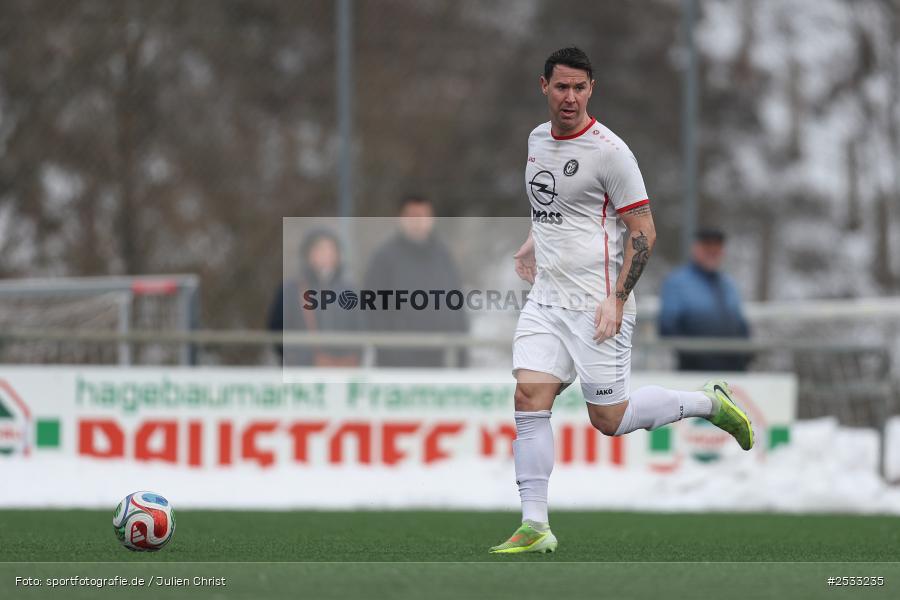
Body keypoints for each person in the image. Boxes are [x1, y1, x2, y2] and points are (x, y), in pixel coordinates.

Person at [490, 47, 754, 555]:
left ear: (592, 90)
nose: (570, 97)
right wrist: (532, 242)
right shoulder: (537, 140)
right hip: (547, 300)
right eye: (561, 86)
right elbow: (556, 205)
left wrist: (616, 299)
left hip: (598, 305)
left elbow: (645, 232)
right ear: (542, 86)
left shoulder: (611, 152)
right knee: (528, 399)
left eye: (580, 88)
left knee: (608, 420)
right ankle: (534, 525)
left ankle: (708, 402)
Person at [363, 195, 468, 367]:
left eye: (423, 215)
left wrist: (461, 352)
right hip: (396, 364)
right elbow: (372, 309)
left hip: (440, 361)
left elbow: (456, 308)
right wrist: (390, 350)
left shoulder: (443, 256)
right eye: (412, 215)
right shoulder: (384, 258)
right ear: (401, 219)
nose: (418, 221)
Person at [658, 228, 752, 371]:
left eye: (717, 247)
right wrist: (696, 353)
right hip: (694, 370)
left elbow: (741, 325)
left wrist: (746, 354)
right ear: (695, 248)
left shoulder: (729, 284)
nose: (713, 252)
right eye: (707, 247)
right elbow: (668, 327)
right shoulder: (678, 282)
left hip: (734, 369)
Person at [267, 228, 362, 367]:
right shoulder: (291, 290)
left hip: (345, 370)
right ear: (308, 254)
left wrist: (353, 356)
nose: (326, 255)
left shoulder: (351, 290)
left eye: (330, 249)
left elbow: (361, 327)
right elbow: (276, 327)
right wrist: (294, 357)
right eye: (320, 249)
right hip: (301, 370)